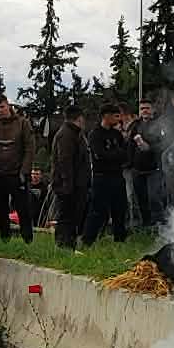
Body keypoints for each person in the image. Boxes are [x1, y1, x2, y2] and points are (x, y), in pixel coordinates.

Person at [0, 96, 37, 244]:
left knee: (23, 209)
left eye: (2, 107)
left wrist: (25, 170)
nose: (0, 110)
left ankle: (28, 239)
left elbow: (30, 148)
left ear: (8, 105)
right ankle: (5, 237)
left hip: (17, 173)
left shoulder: (22, 123)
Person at [83, 104, 131, 246]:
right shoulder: (95, 134)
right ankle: (88, 240)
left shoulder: (117, 135)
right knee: (98, 210)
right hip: (102, 177)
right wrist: (115, 155)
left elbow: (125, 155)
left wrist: (114, 155)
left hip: (118, 176)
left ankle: (120, 239)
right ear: (106, 116)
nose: (118, 119)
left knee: (120, 209)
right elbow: (100, 155)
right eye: (115, 116)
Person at [49, 106, 90, 250]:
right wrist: (68, 184)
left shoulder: (75, 133)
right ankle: (63, 245)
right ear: (79, 118)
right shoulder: (66, 135)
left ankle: (69, 244)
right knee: (66, 216)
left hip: (76, 183)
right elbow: (64, 161)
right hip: (69, 185)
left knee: (73, 216)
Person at [127, 99, 166, 232]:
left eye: (147, 108)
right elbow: (129, 145)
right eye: (142, 108)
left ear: (152, 110)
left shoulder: (159, 125)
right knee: (140, 198)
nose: (144, 111)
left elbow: (164, 144)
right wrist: (130, 163)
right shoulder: (135, 126)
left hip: (154, 168)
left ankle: (159, 224)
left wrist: (149, 148)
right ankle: (146, 225)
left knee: (154, 197)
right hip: (137, 169)